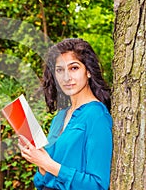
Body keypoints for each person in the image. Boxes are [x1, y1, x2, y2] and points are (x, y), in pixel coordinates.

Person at [18, 38, 113, 190]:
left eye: (74, 68)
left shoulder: (97, 115)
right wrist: (38, 160)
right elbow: (43, 179)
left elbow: (98, 185)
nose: (66, 78)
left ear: (88, 71)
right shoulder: (59, 117)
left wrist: (47, 163)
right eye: (60, 70)